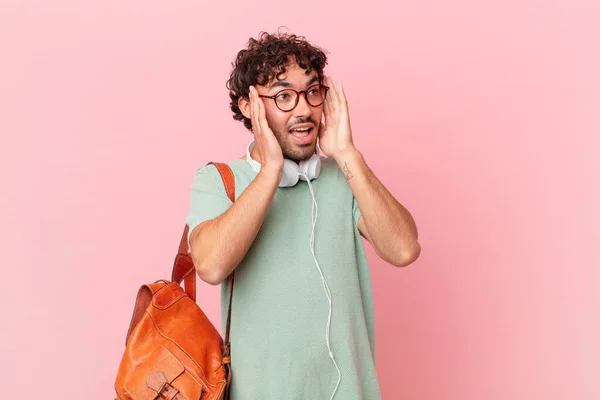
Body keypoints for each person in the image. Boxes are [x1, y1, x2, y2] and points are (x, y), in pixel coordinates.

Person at [185, 31, 420, 400]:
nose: (303, 109)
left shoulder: (345, 179)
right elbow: (211, 266)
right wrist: (269, 172)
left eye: (312, 92)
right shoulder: (219, 180)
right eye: (283, 96)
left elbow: (404, 249)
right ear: (249, 106)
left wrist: (347, 154)